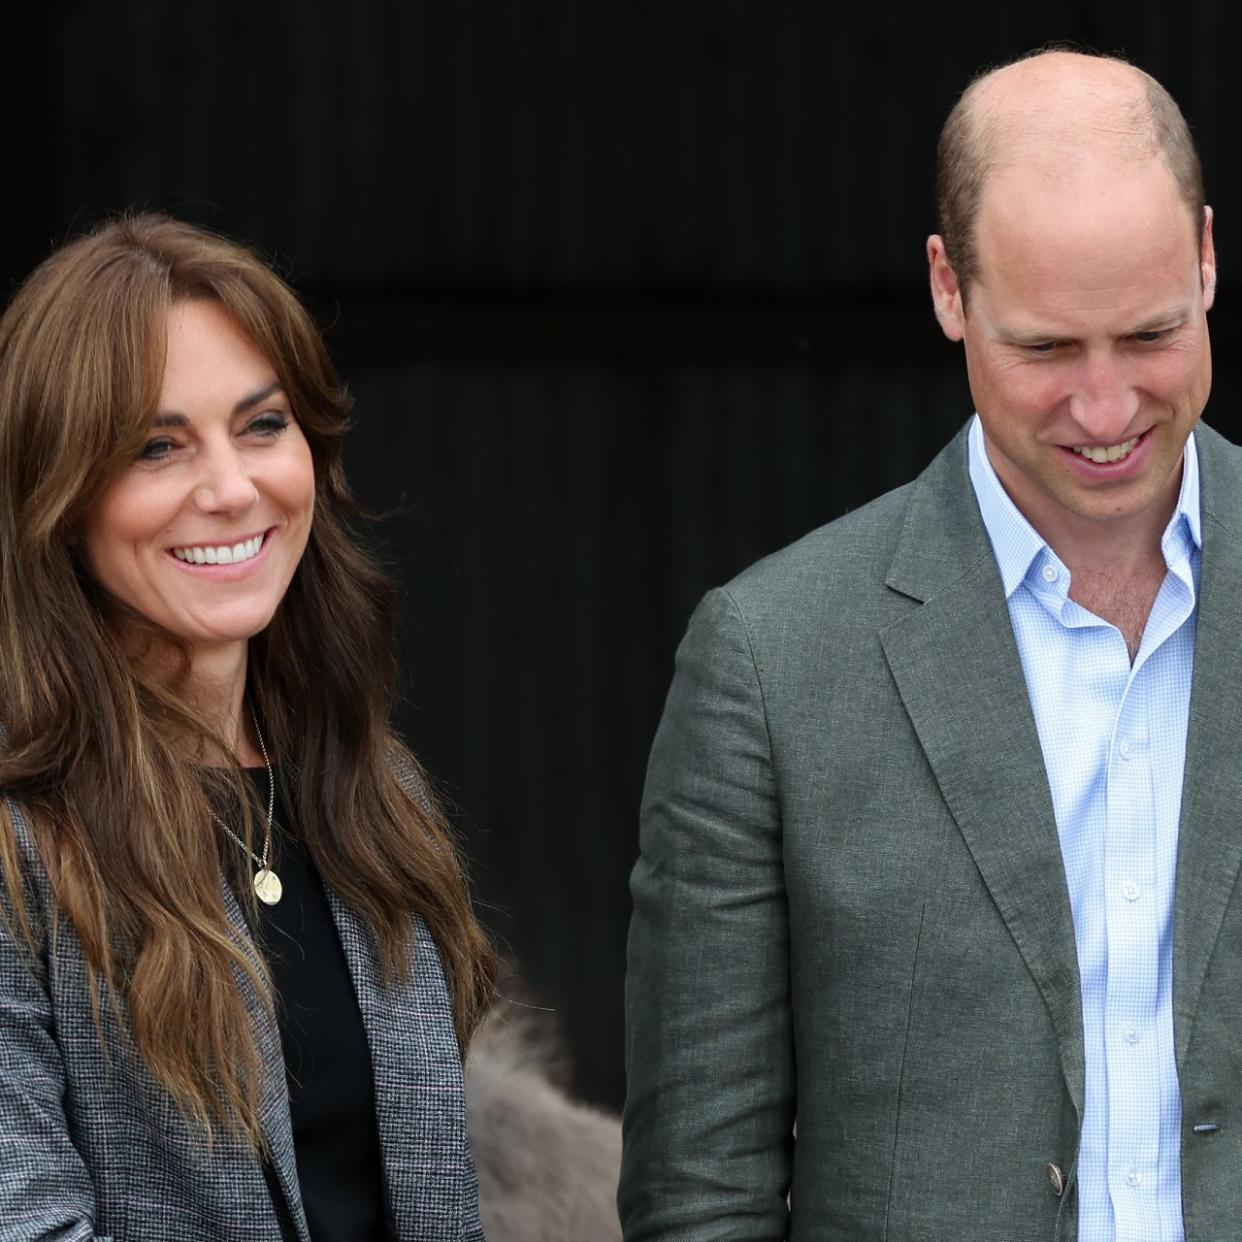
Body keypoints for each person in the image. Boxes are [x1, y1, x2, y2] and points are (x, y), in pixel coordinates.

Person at [620, 49, 1237, 1241]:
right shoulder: (769, 661)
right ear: (949, 290)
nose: (1107, 410)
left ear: (1207, 260)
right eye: (1047, 349)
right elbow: (701, 1193)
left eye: (1152, 335)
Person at [0, 213, 496, 1240]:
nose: (231, 490)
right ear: (58, 496)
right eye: (155, 446)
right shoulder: (17, 852)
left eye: (263, 425)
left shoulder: (371, 791)